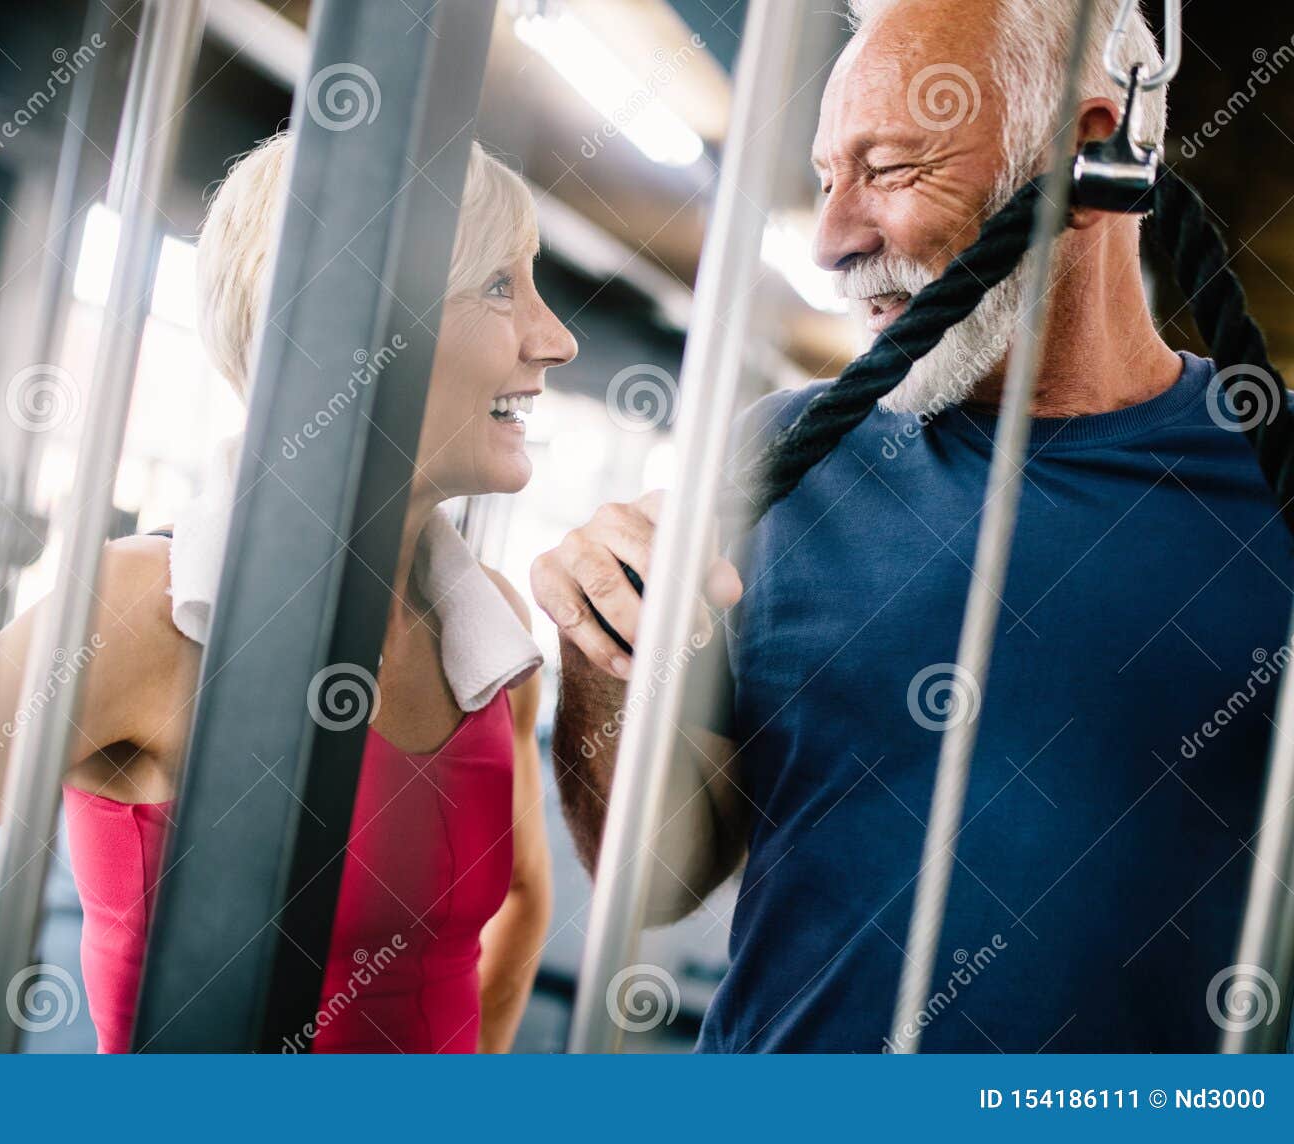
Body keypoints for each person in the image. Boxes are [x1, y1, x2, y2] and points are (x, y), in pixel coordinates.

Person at [0, 132, 575, 1053]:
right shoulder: (143, 615)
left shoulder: (494, 636)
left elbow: (518, 900)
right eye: (500, 285)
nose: (556, 339)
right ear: (348, 325)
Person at [534, 0, 1289, 1052]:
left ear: (1088, 151)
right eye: (824, 178)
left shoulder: (1270, 478)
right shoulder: (777, 459)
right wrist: (606, 655)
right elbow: (653, 877)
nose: (836, 238)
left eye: (888, 169)